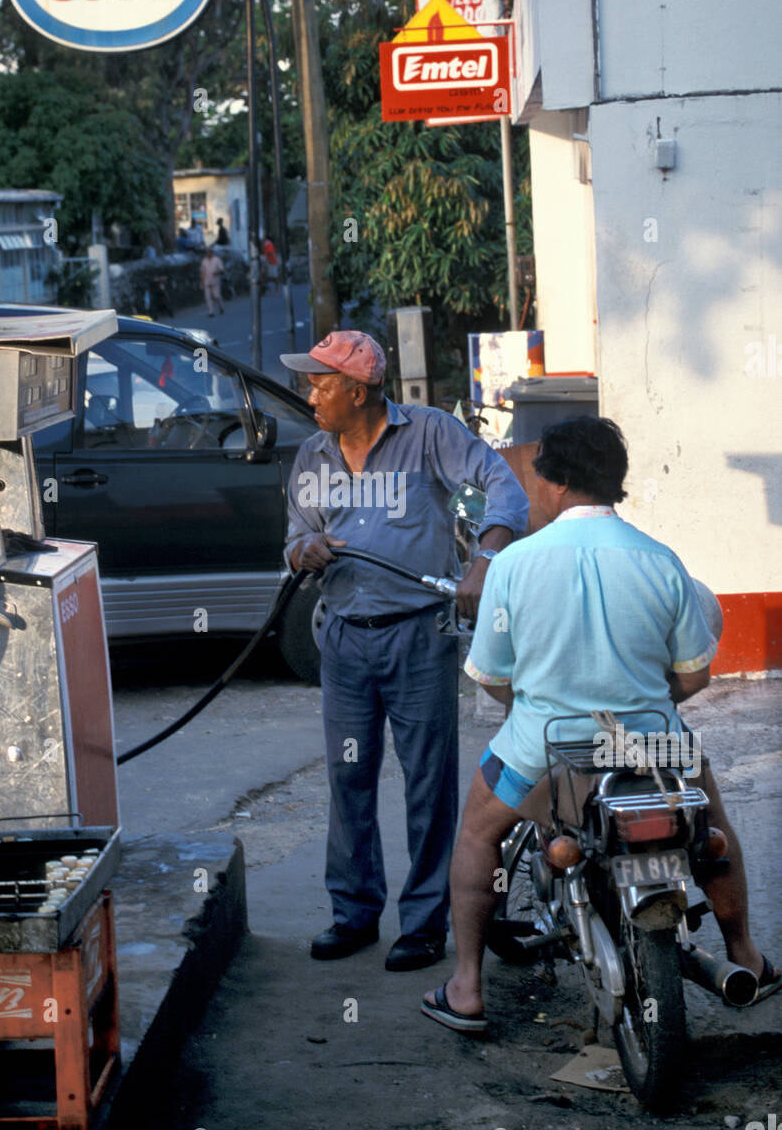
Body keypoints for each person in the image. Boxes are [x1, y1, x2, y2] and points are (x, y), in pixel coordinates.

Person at [421, 415, 780, 1032]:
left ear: (555, 482)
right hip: (655, 745)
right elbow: (694, 676)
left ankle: (467, 986)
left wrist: (534, 703)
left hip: (543, 749)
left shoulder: (514, 564)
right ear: (614, 481)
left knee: (478, 835)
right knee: (711, 828)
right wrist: (635, 700)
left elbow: (487, 674)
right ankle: (745, 954)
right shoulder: (661, 560)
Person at [281, 331, 529, 970]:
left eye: (321, 383)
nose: (310, 395)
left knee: (428, 782)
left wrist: (487, 556)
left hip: (419, 634)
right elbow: (296, 534)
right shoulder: (313, 456)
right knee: (349, 776)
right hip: (343, 638)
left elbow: (500, 490)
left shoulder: (429, 437)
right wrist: (301, 551)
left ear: (357, 391)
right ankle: (355, 914)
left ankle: (422, 925)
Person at [199, 247, 224, 319]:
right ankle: (211, 311)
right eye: (207, 252)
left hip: (215, 281)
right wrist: (201, 282)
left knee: (217, 296)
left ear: (212, 252)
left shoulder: (217, 260)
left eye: (210, 252)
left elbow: (222, 269)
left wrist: (217, 272)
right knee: (208, 297)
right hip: (206, 281)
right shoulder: (204, 261)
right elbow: (202, 272)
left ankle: (220, 307)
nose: (208, 253)